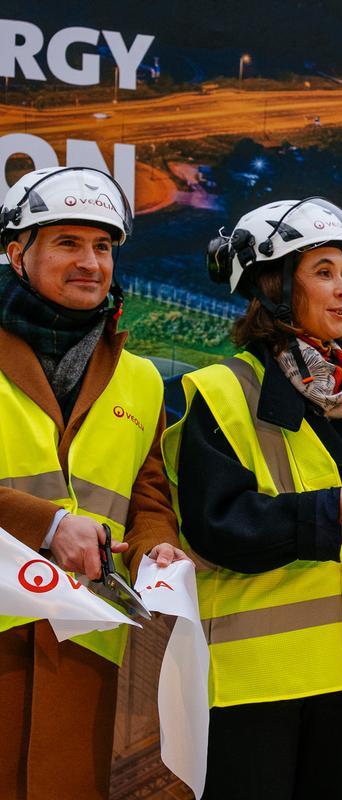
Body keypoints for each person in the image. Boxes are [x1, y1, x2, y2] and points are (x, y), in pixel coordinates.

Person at [160, 198, 342, 800]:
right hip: (252, 680)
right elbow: (216, 527)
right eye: (324, 272)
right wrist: (331, 509)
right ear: (273, 286)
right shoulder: (223, 391)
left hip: (337, 671)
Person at [0, 166, 187, 799]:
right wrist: (47, 525)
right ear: (15, 254)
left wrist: (158, 539)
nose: (91, 262)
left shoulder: (138, 378)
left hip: (83, 640)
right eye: (68, 243)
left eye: (103, 246)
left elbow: (149, 491)